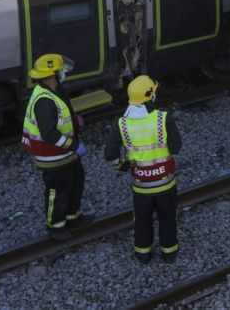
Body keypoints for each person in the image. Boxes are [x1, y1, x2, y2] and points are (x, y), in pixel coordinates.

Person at [104, 75, 181, 264]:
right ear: (150, 96)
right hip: (165, 184)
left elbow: (110, 154)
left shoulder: (121, 124)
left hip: (141, 187)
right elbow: (176, 148)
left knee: (142, 221)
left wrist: (121, 166)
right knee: (168, 218)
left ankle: (142, 254)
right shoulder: (164, 118)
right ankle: (169, 253)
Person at [21, 53, 89, 241]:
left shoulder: (54, 91)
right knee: (58, 191)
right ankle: (55, 226)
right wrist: (73, 145)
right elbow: (49, 133)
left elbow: (60, 115)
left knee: (76, 183)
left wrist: (75, 121)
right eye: (60, 72)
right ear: (52, 75)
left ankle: (73, 217)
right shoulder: (44, 100)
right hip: (52, 156)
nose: (63, 74)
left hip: (65, 154)